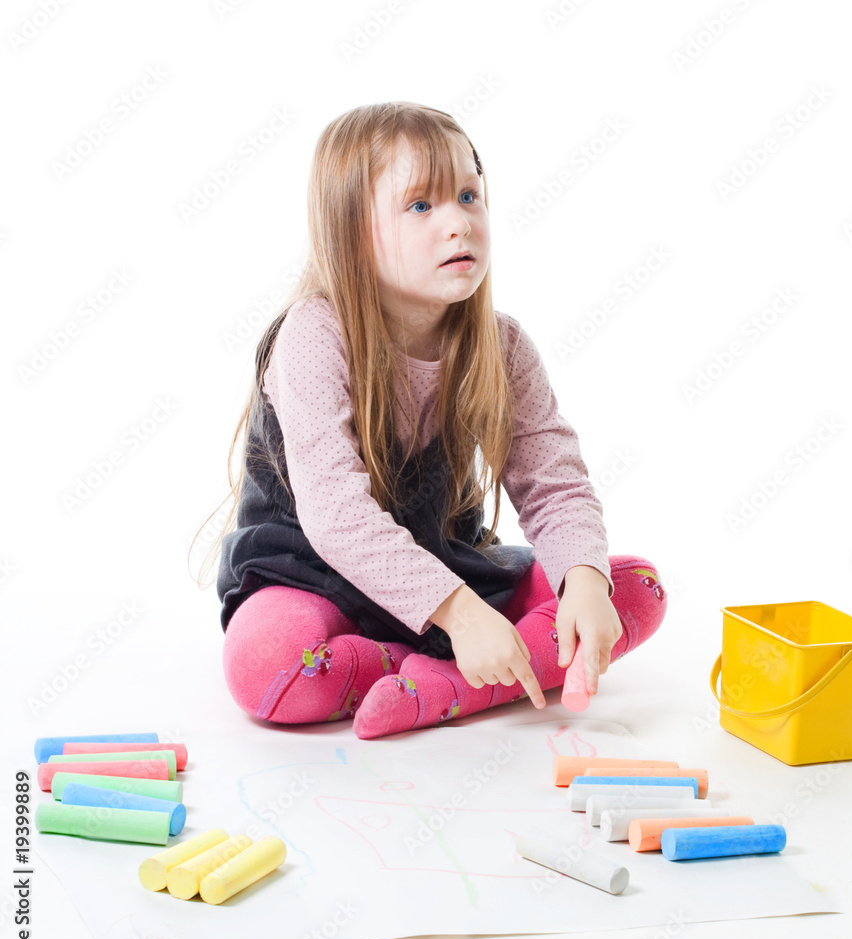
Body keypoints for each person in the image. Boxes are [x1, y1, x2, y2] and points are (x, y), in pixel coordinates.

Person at [194, 100, 667, 739]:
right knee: (268, 665)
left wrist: (583, 583)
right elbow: (335, 515)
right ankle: (463, 666)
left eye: (470, 196)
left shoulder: (502, 346)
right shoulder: (312, 334)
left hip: (446, 569)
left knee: (631, 586)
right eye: (421, 206)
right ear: (351, 233)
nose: (459, 224)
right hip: (310, 574)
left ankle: (441, 687)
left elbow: (553, 486)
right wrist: (465, 620)